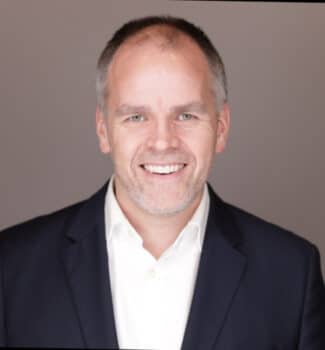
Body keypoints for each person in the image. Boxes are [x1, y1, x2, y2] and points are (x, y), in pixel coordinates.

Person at [0, 15, 324, 350]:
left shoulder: (293, 274)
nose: (162, 141)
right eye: (136, 117)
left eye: (186, 115)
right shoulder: (10, 268)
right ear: (103, 130)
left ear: (221, 127)